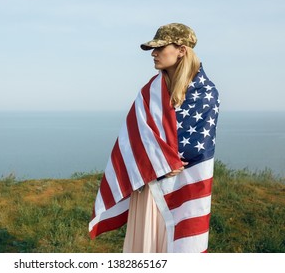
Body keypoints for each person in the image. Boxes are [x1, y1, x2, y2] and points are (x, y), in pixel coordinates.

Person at [89, 23, 220, 253]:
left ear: (181, 50)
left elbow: (197, 146)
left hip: (180, 184)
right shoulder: (149, 92)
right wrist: (159, 162)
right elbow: (133, 137)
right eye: (153, 48)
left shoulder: (205, 92)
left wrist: (163, 160)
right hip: (148, 182)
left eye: (160, 47)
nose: (154, 53)